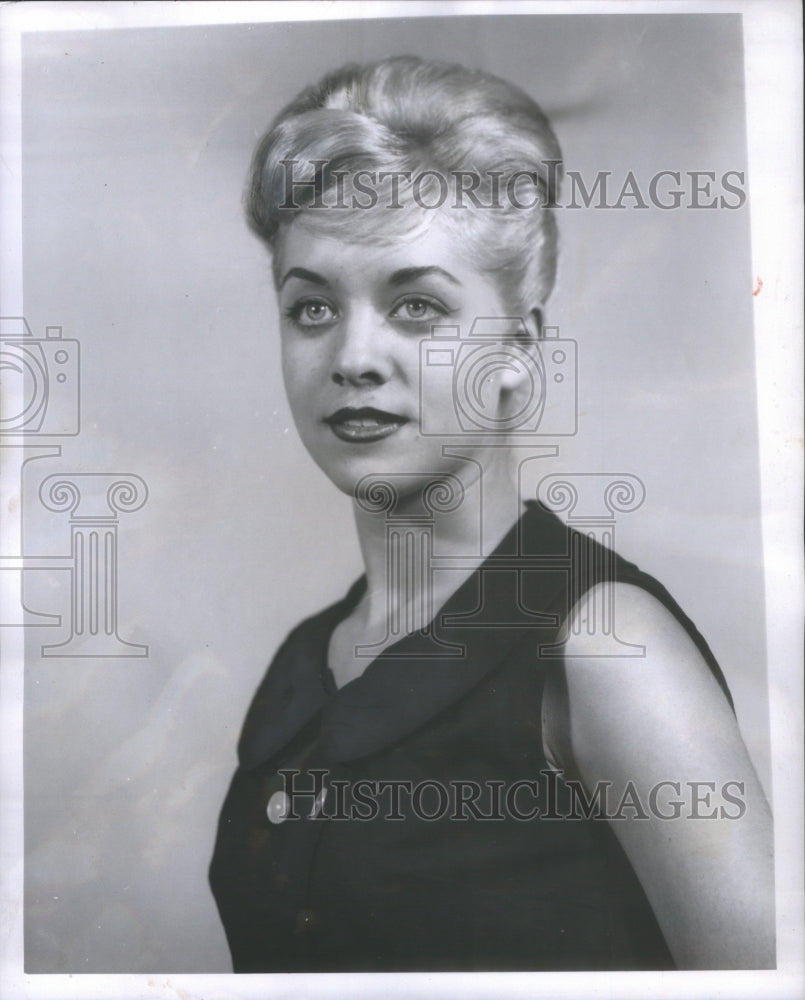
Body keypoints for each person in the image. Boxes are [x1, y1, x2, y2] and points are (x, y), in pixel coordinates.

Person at [209, 56, 774, 972]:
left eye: (417, 307)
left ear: (517, 347)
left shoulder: (604, 648)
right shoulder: (305, 662)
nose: (354, 355)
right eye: (311, 307)